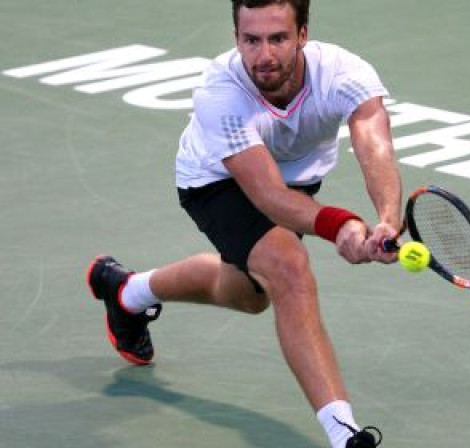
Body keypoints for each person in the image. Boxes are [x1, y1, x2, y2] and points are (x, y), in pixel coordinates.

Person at [85, 1, 401, 447]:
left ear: (303, 35)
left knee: (250, 295)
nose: (264, 55)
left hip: (296, 183)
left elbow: (374, 144)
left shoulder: (345, 74)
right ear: (237, 38)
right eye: (251, 40)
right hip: (217, 180)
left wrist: (387, 219)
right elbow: (268, 197)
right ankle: (344, 434)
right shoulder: (221, 92)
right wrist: (341, 225)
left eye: (278, 38)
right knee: (288, 268)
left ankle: (126, 291)